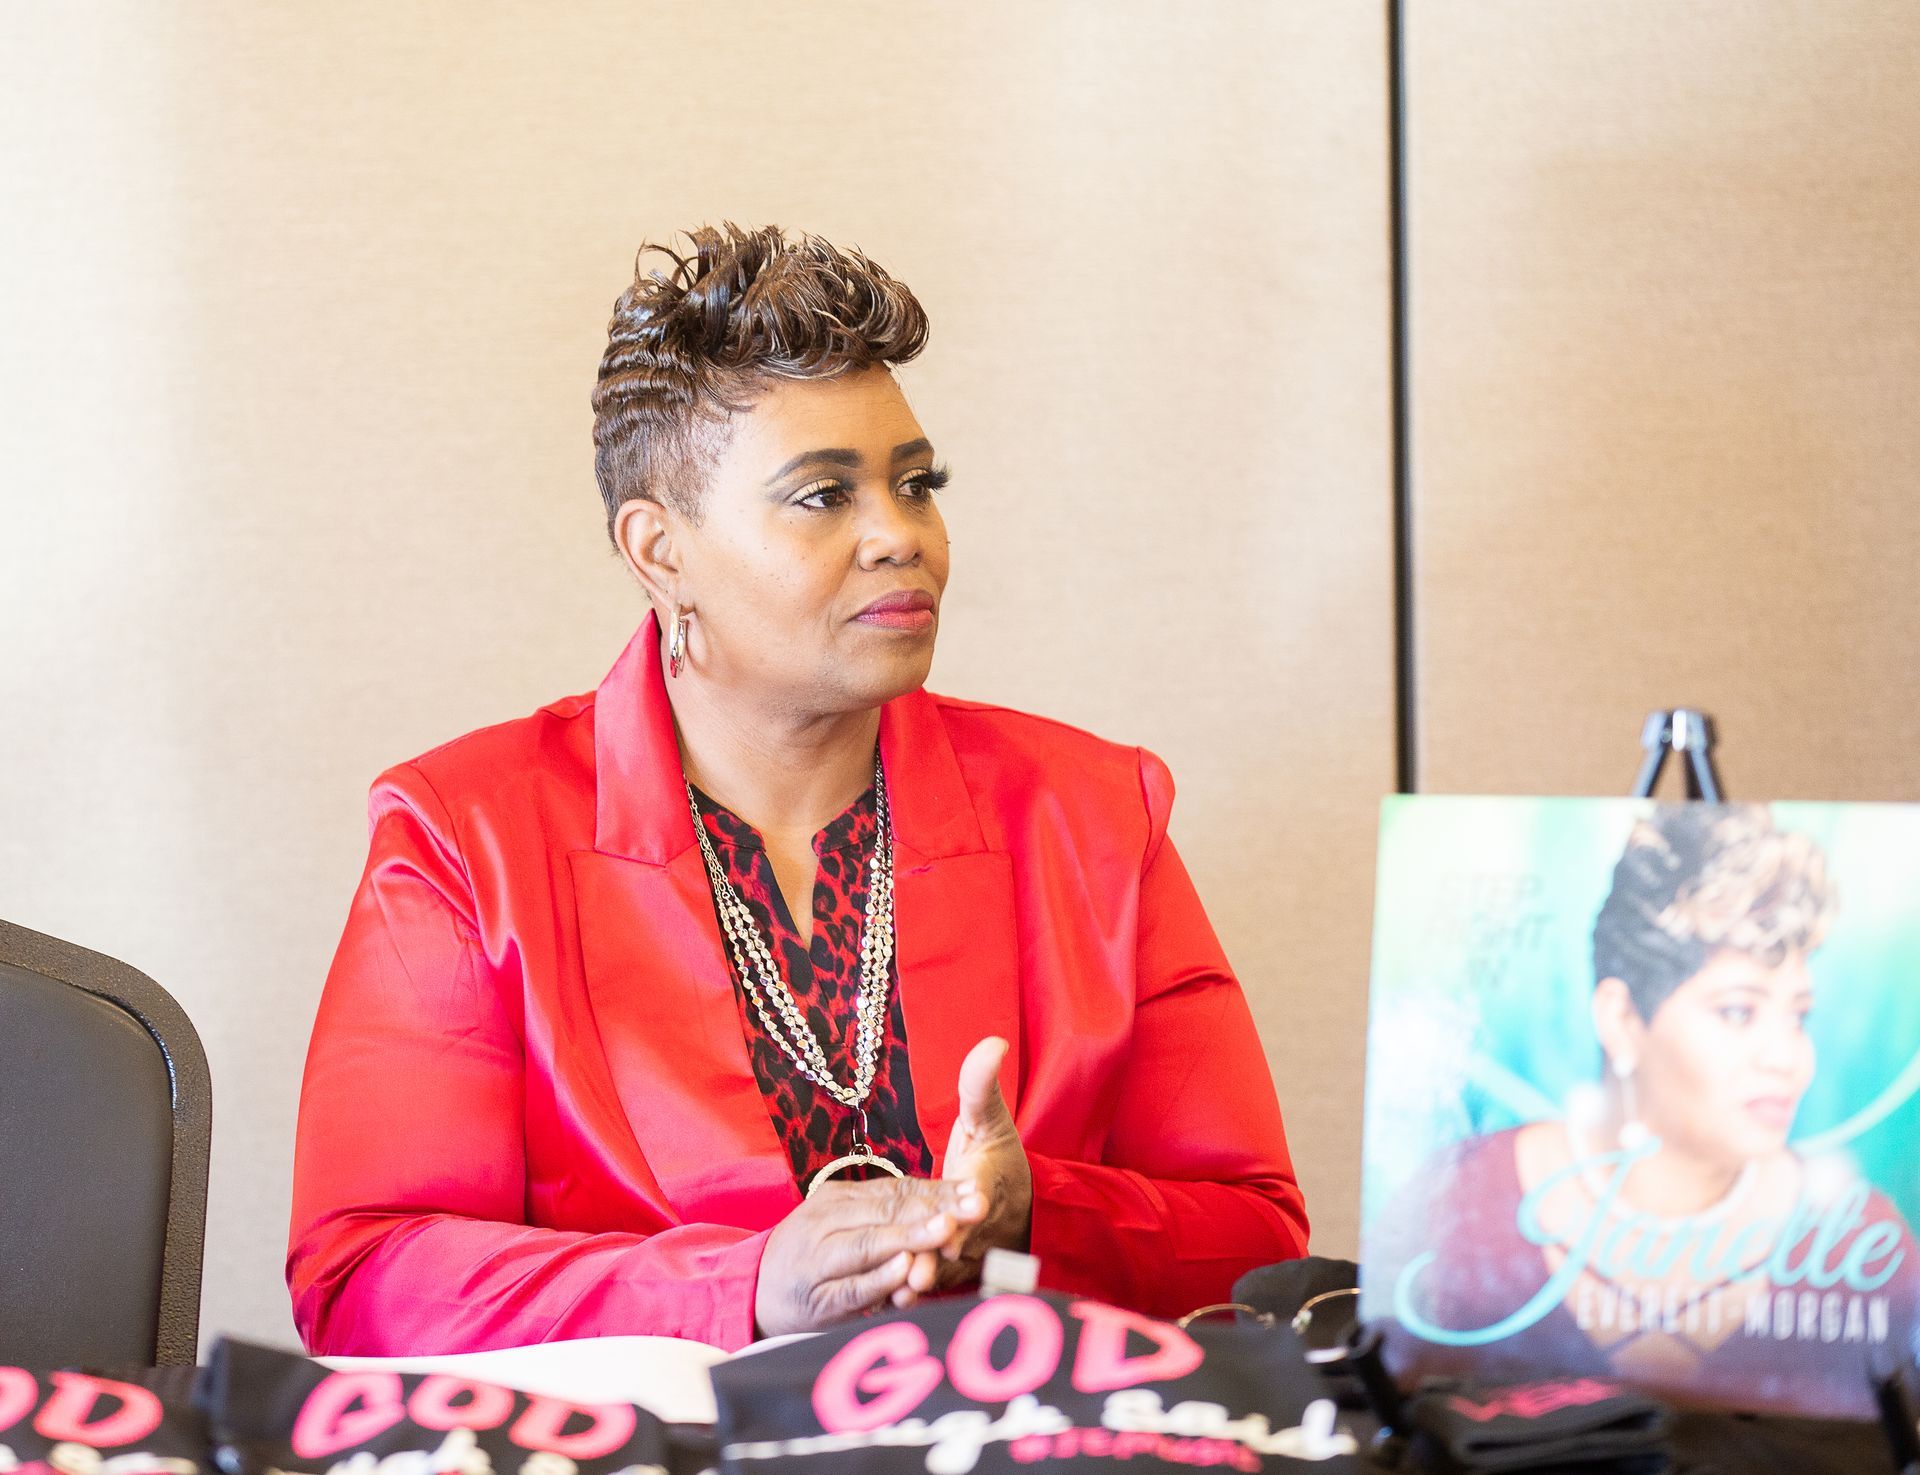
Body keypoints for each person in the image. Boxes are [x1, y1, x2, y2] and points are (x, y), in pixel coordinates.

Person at [287, 224, 1309, 1354]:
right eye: (823, 496)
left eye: (916, 485)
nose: (899, 536)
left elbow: (1258, 1243)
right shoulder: (463, 837)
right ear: (659, 549)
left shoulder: (1096, 813)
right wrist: (745, 1283)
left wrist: (1035, 1216)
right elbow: (366, 1274)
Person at [1371, 804, 1918, 1412]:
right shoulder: (1457, 1207)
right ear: (1621, 1017)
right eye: (1738, 1011)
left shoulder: (1859, 1241)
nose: (1788, 1058)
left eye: (1798, 1016)